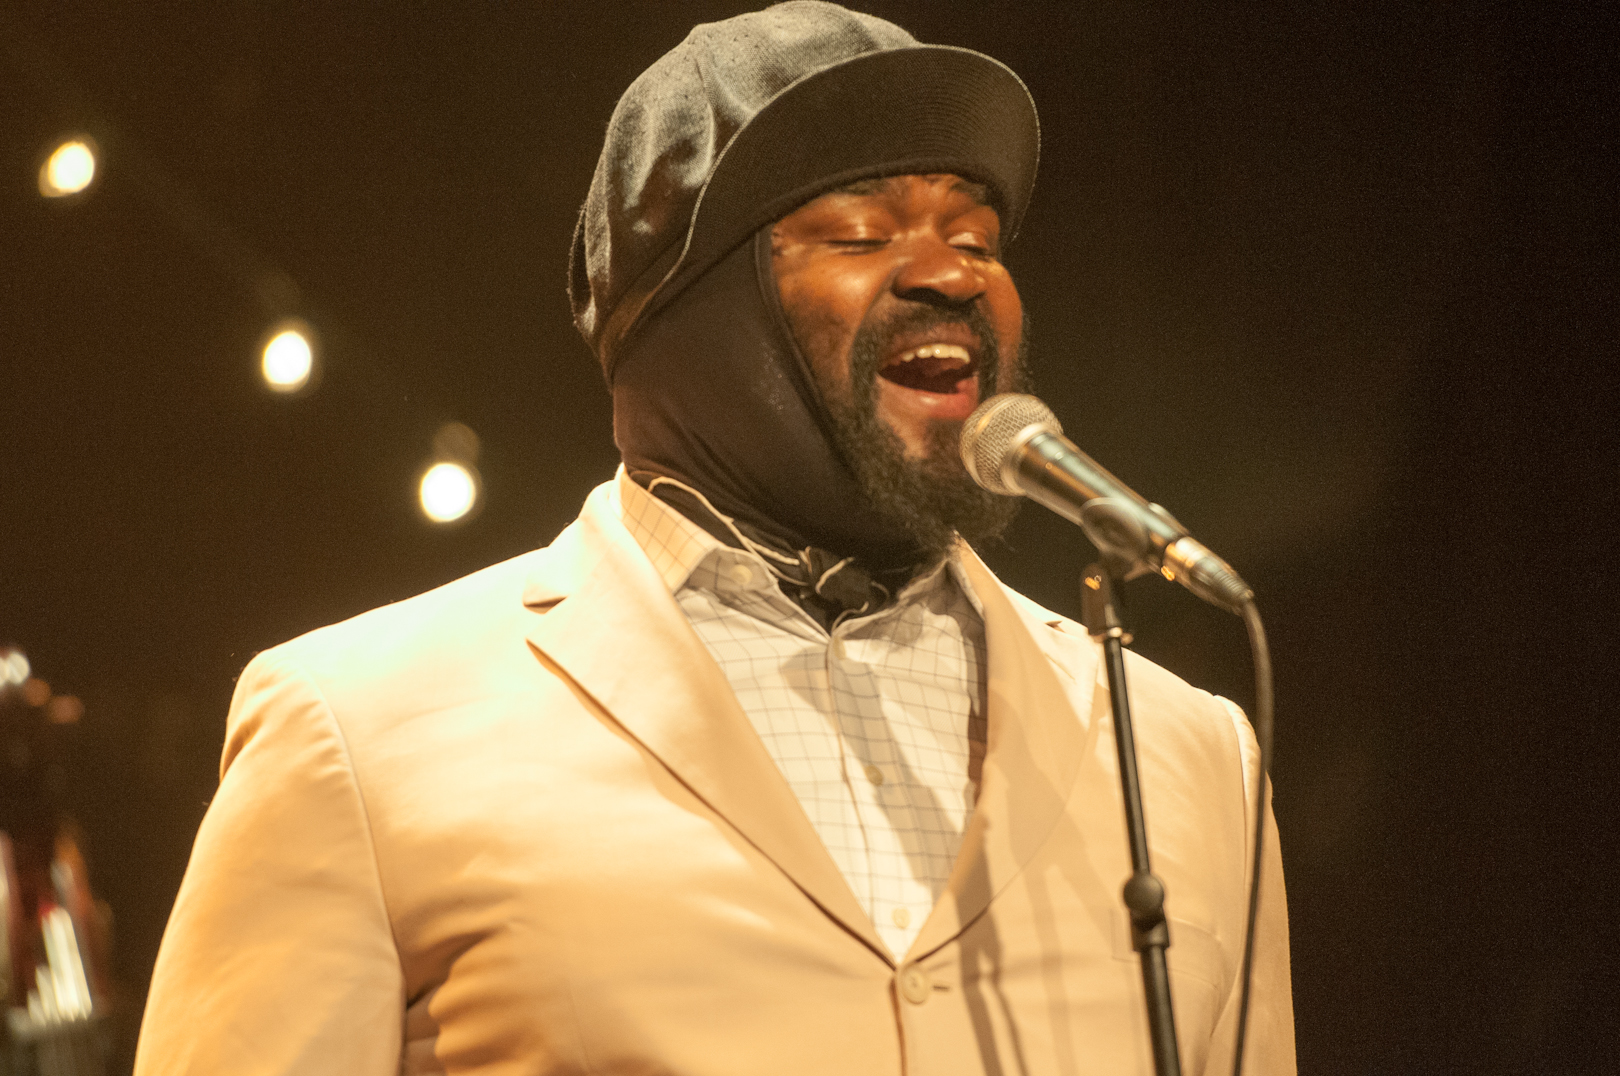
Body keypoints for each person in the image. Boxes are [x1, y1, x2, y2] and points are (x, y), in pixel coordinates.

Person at [134, 4, 1294, 1074]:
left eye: (978, 234)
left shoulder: (1189, 752)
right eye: (860, 229)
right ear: (686, 315)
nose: (947, 271)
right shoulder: (358, 730)